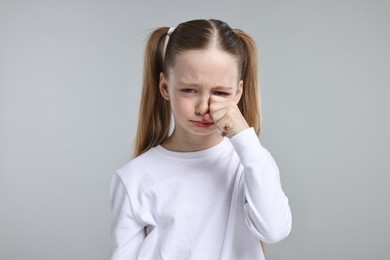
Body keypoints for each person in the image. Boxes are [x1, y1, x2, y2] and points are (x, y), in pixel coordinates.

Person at [109, 19, 292, 260]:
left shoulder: (249, 163)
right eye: (189, 90)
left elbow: (274, 230)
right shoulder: (134, 178)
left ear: (238, 93)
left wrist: (245, 138)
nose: (204, 107)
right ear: (165, 87)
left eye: (220, 93)